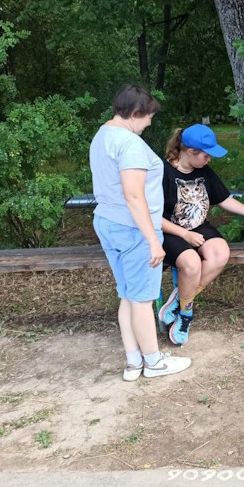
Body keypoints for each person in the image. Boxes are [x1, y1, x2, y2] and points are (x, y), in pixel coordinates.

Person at [90, 85, 191, 381]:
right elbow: (134, 197)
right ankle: (154, 362)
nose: (149, 123)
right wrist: (152, 239)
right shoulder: (129, 143)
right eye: (147, 118)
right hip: (133, 230)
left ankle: (134, 362)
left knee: (128, 296)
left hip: (108, 222)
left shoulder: (102, 136)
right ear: (135, 114)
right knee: (143, 299)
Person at [158, 124, 244, 345]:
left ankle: (180, 300)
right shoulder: (162, 172)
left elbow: (223, 199)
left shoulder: (204, 171)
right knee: (191, 263)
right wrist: (184, 234)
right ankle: (187, 314)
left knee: (221, 253)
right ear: (190, 152)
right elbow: (151, 216)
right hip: (170, 230)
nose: (209, 160)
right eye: (206, 155)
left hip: (198, 226)